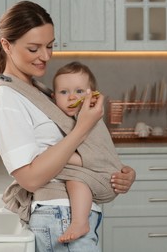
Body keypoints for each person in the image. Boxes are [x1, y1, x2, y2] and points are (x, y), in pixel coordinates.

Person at [0, 1, 136, 252]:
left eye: (50, 46)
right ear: (6, 45)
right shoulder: (5, 99)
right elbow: (31, 177)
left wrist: (115, 172)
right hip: (59, 216)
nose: (45, 56)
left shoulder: (40, 92)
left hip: (69, 214)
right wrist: (82, 128)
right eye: (34, 48)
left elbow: (68, 150)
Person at [51, 61, 117, 243]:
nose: (72, 97)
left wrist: (56, 156)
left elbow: (98, 157)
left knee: (74, 178)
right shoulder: (68, 119)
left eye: (79, 91)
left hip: (104, 177)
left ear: (93, 96)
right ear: (53, 96)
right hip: (98, 176)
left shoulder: (89, 119)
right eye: (64, 92)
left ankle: (80, 222)